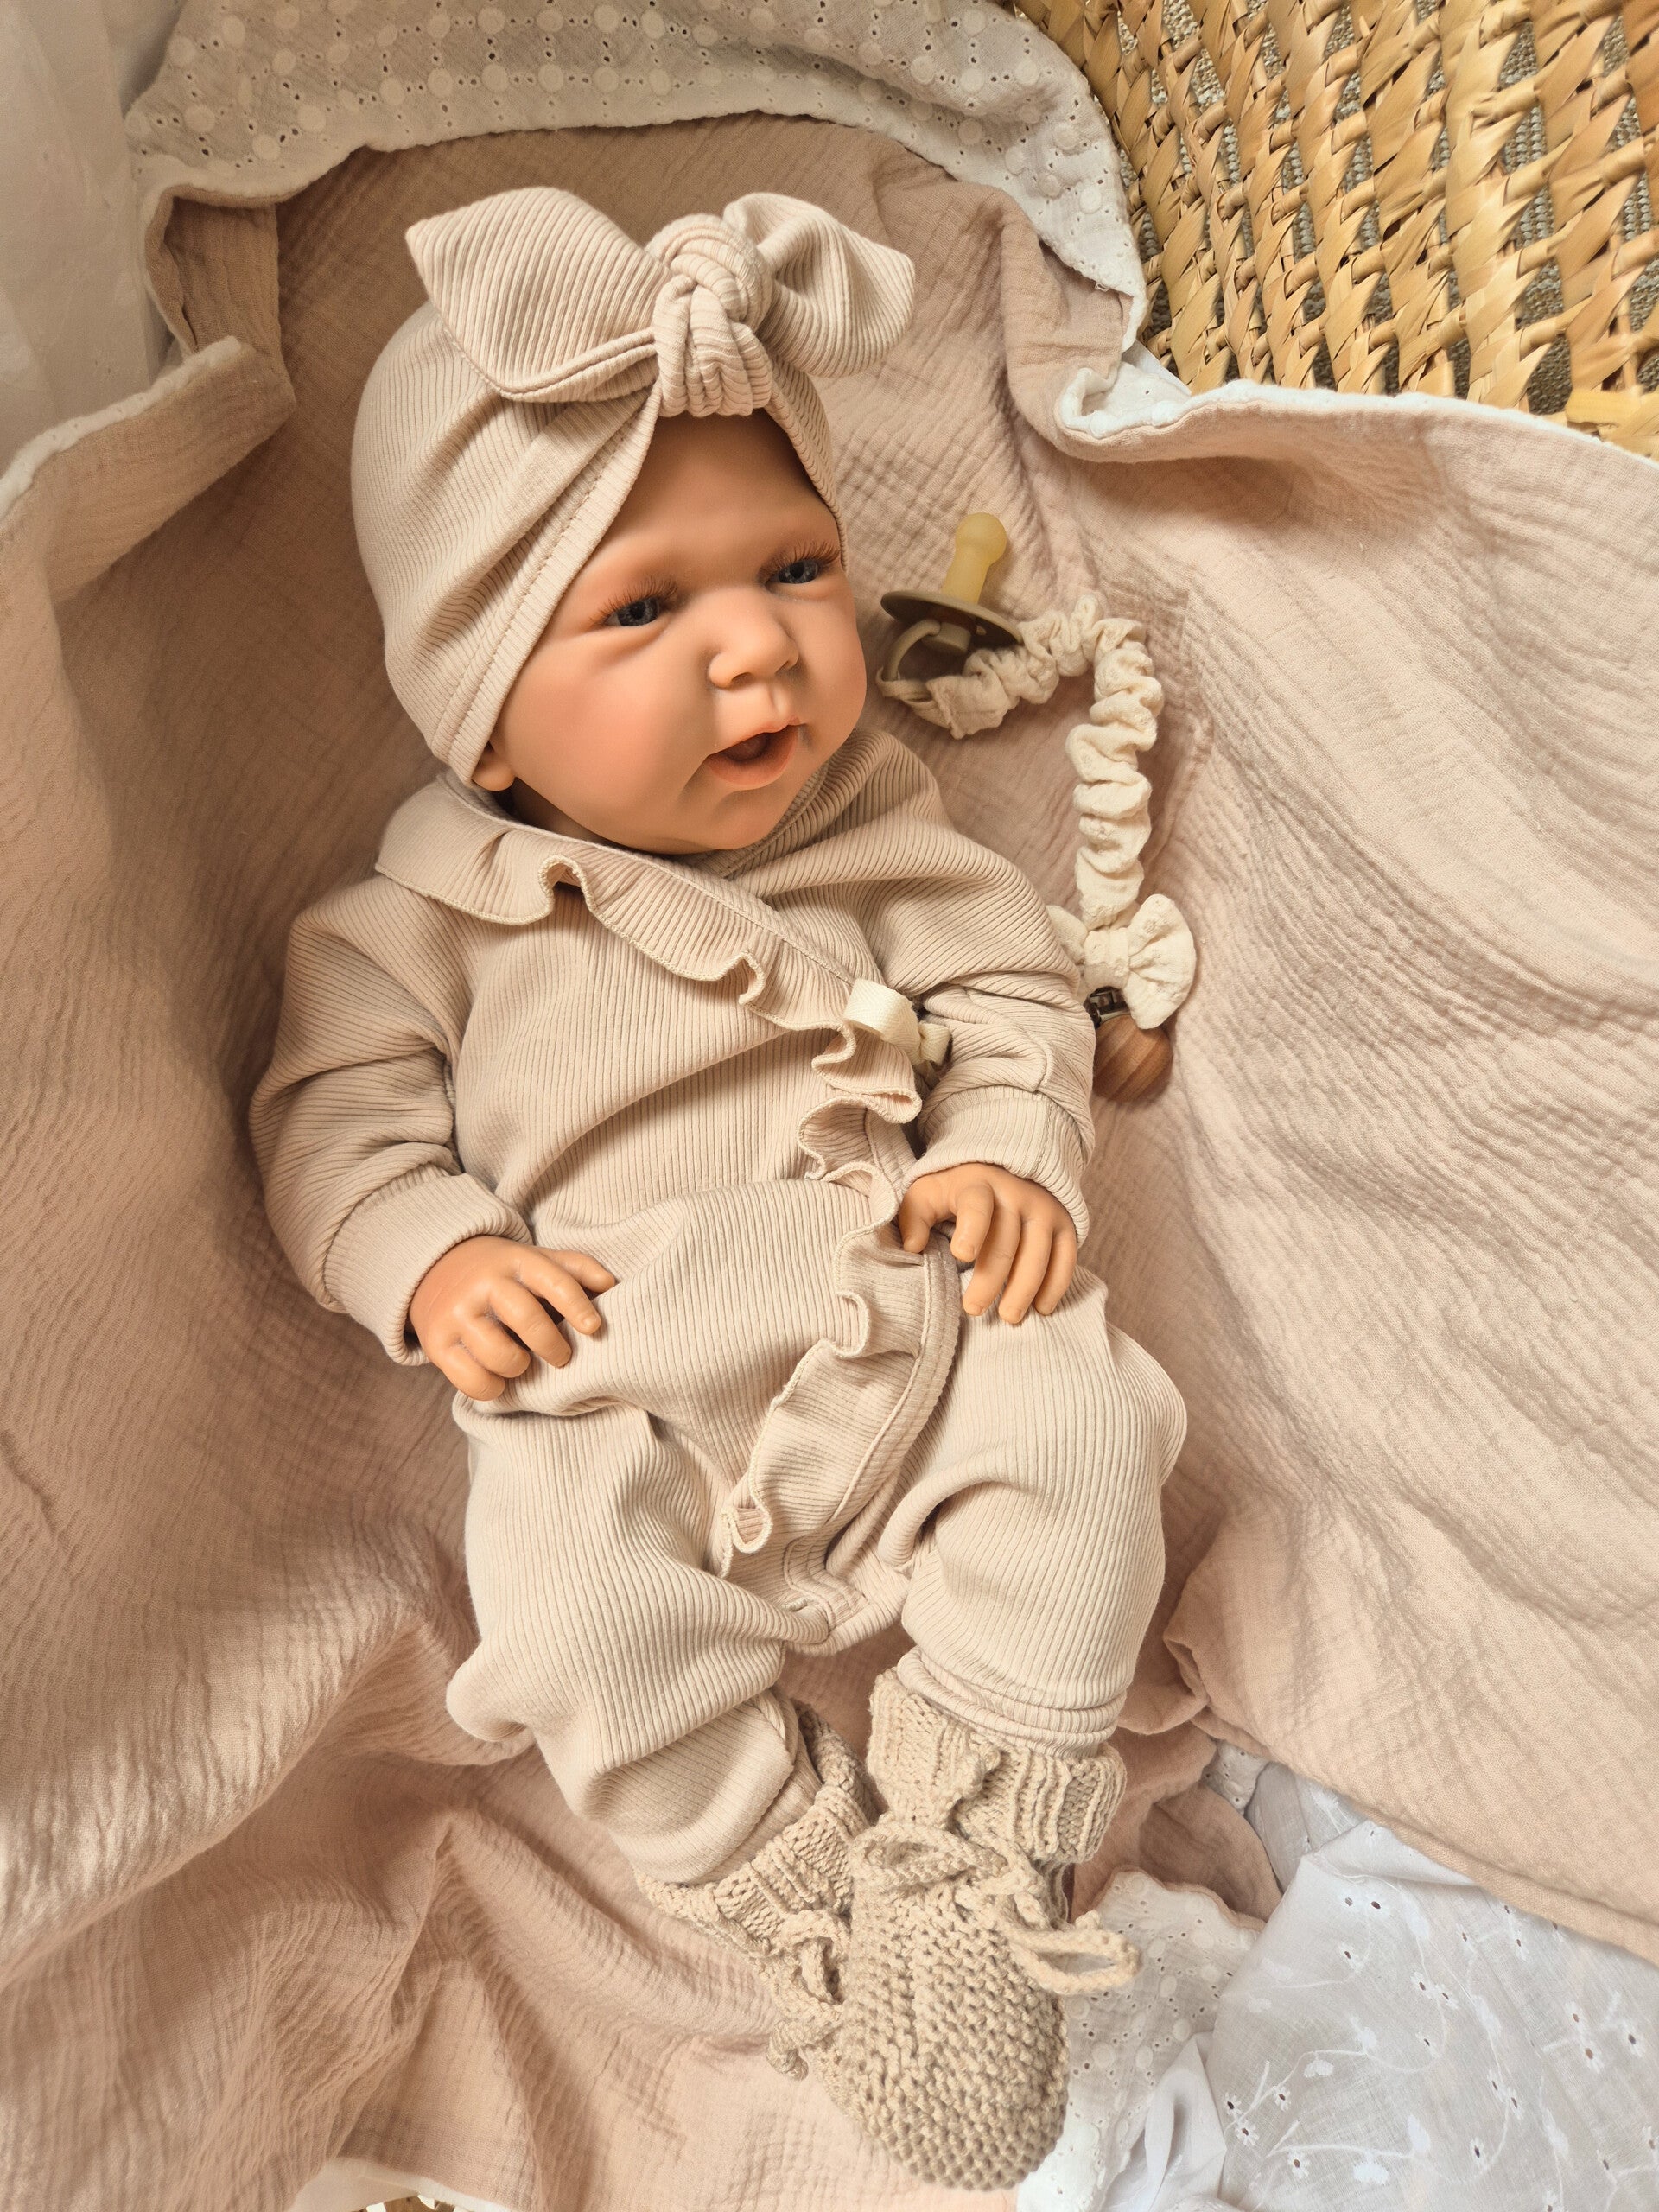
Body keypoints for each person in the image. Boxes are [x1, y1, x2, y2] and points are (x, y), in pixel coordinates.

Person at [251, 184, 1185, 2190]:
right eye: (642, 610)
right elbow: (331, 1131)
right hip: (619, 1374)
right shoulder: (420, 920)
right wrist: (432, 1260)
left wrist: (1005, 1149)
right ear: (479, 699)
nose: (759, 645)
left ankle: (975, 1841)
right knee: (568, 1620)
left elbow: (1012, 992)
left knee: (1087, 1426)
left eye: (796, 566)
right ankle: (806, 1879)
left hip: (908, 1302)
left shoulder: (885, 842)